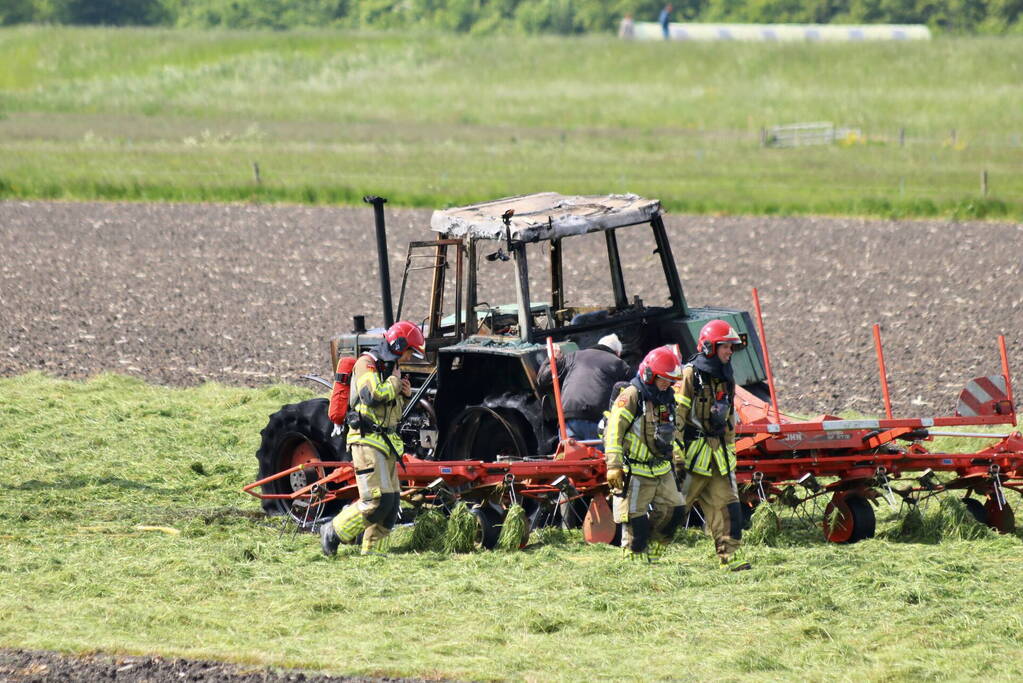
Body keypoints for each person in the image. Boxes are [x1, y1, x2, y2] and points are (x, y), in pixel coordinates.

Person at [320, 320, 425, 557]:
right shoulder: (366, 364)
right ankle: (332, 531)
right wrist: (395, 384)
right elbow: (371, 395)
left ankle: (372, 555)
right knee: (375, 501)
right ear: (399, 345)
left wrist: (404, 396)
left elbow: (390, 411)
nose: (409, 358)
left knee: (390, 504)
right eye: (410, 351)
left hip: (385, 444)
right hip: (367, 441)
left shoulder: (390, 368)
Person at [674, 320, 751, 571]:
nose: (730, 352)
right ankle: (647, 555)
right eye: (726, 347)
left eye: (731, 347)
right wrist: (675, 453)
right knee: (674, 509)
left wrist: (730, 453)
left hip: (718, 457)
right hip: (692, 459)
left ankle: (730, 559)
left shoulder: (726, 378)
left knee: (728, 507)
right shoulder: (690, 375)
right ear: (709, 347)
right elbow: (678, 415)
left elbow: (728, 420)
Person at [604, 345, 686, 560]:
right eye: (664, 379)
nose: (668, 384)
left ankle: (656, 551)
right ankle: (635, 563)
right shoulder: (632, 396)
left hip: (661, 467)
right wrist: (613, 466)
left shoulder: (667, 398)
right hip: (635, 469)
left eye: (671, 380)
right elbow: (614, 431)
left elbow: (672, 433)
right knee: (634, 521)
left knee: (675, 510)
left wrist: (679, 460)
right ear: (649, 374)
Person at [537, 333, 632, 441]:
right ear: (618, 353)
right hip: (596, 421)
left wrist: (553, 359)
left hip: (567, 420)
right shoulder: (620, 364)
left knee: (571, 457)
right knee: (602, 456)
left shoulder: (574, 356)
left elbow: (543, 379)